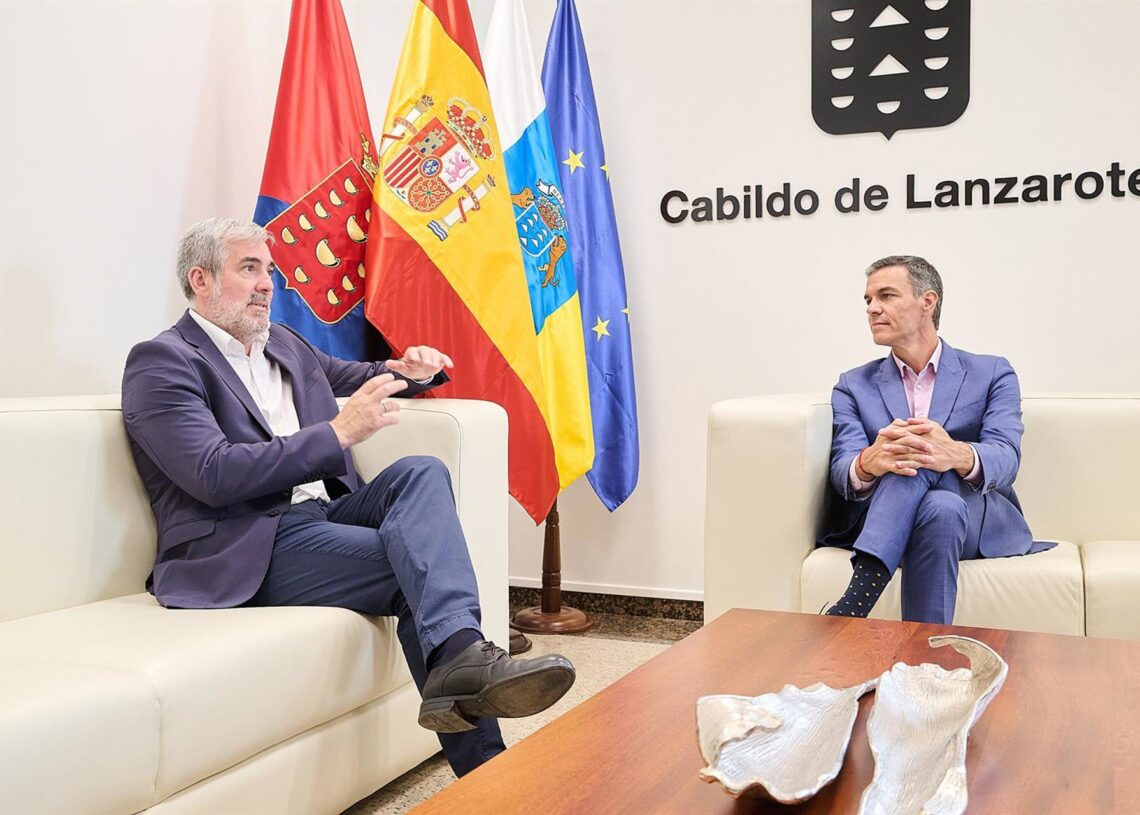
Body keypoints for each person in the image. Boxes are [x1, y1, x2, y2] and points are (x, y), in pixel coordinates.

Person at [121, 217, 574, 777]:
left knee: (419, 471)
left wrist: (410, 372)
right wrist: (336, 433)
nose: (268, 283)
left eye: (270, 270)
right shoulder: (163, 361)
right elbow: (211, 473)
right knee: (420, 571)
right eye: (249, 268)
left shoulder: (280, 342)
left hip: (320, 512)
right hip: (246, 539)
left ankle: (461, 671)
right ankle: (490, 773)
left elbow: (359, 373)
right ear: (202, 280)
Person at [820, 255, 1052, 624]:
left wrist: (955, 454)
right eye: (868, 300)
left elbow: (1006, 457)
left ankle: (858, 595)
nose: (872, 308)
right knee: (939, 507)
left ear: (928, 302)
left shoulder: (992, 372)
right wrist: (868, 462)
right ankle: (925, 663)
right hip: (913, 514)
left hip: (976, 520)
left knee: (920, 452)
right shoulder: (852, 385)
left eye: (886, 295)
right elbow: (841, 469)